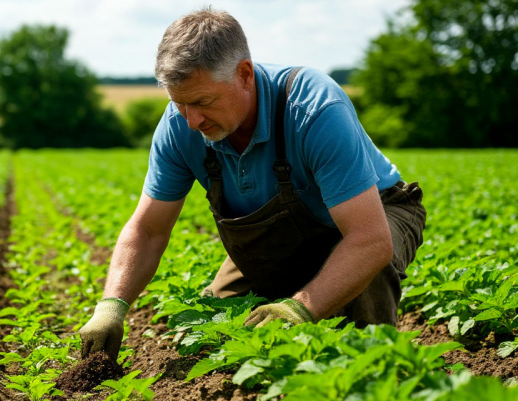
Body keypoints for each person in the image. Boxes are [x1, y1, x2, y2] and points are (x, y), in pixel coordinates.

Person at [79, 8, 426, 361]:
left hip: (374, 214)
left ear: (244, 74)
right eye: (179, 103)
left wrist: (300, 309)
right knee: (215, 333)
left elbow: (369, 240)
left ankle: (371, 373)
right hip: (282, 240)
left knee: (364, 281)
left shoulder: (312, 108)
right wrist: (111, 307)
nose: (192, 120)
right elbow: (149, 230)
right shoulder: (179, 127)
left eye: (202, 101)